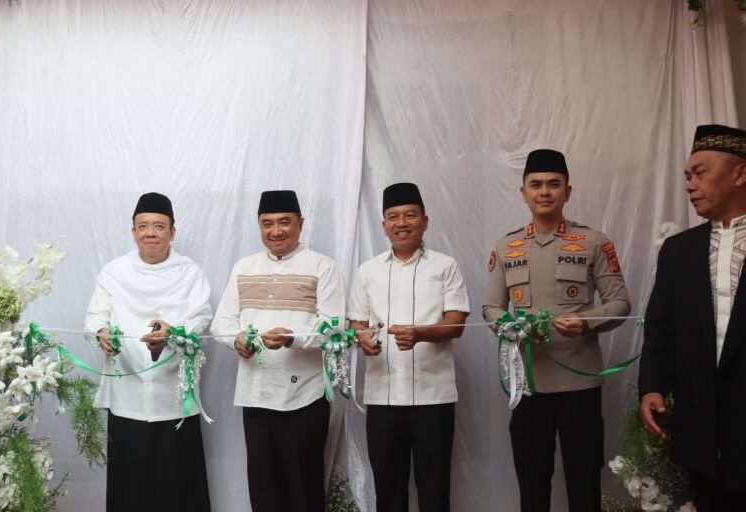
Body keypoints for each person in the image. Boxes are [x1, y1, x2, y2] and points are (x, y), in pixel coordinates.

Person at [483, 149, 631, 512]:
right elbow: (491, 308)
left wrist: (586, 321)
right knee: (532, 484)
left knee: (584, 482)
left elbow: (621, 304)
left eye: (553, 184)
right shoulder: (506, 247)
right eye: (536, 184)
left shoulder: (594, 241)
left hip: (579, 384)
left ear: (568, 191)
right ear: (523, 192)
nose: (544, 191)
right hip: (529, 382)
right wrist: (512, 328)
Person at [211, 190, 345, 512]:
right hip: (255, 394)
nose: (276, 231)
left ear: (300, 223)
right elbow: (222, 323)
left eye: (285, 222)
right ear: (258, 226)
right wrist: (237, 339)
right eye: (267, 223)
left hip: (306, 397)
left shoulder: (322, 267)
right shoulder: (244, 267)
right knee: (264, 489)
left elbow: (335, 327)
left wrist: (293, 337)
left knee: (304, 489)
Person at [639, 124, 746, 511]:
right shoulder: (678, 251)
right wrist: (651, 385)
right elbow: (661, 326)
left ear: (740, 174)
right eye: (687, 176)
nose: (690, 184)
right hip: (702, 424)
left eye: (700, 173)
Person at [84, 192, 213, 512]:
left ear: (173, 231)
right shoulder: (114, 272)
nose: (150, 233)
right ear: (133, 231)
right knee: (131, 485)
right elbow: (95, 317)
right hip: (127, 390)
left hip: (174, 395)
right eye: (143, 226)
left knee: (177, 486)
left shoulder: (190, 272)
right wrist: (101, 334)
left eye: (158, 226)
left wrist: (175, 333)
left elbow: (202, 319)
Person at [347, 182, 470, 512]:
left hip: (434, 397)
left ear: (425, 221)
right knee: (389, 490)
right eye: (393, 217)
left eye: (410, 216)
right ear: (384, 225)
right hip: (383, 397)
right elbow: (356, 322)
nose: (402, 223)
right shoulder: (367, 271)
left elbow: (457, 322)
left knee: (434, 489)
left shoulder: (446, 266)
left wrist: (421, 334)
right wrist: (362, 338)